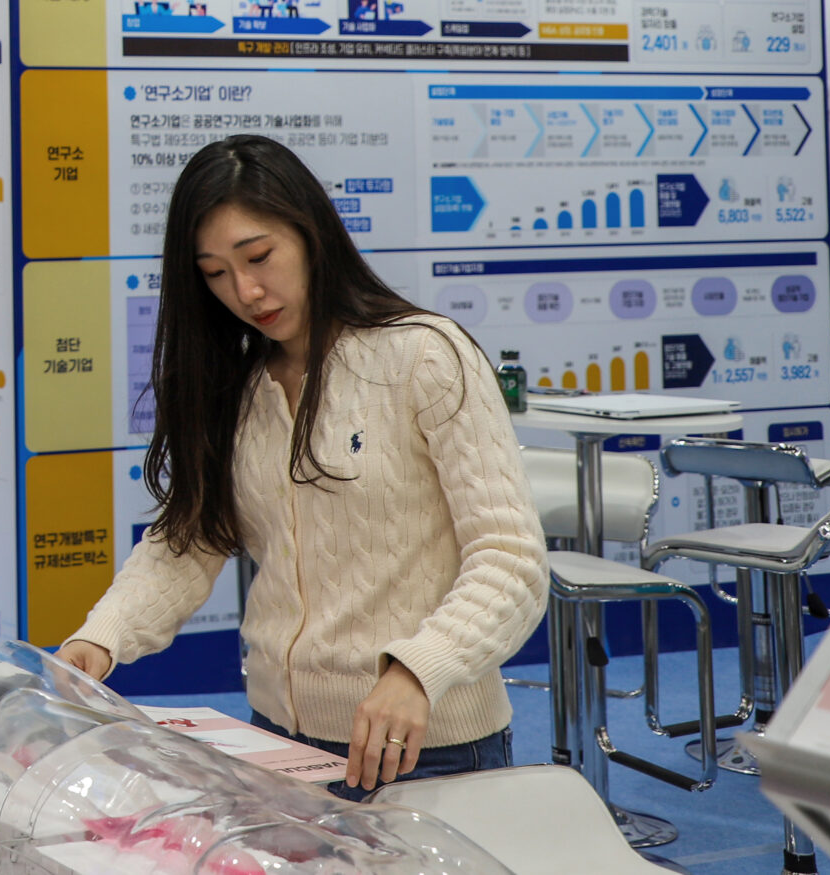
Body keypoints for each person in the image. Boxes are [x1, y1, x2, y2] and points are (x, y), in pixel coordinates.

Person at [58, 134, 544, 799]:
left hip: (425, 746)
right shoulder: (235, 383)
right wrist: (101, 639)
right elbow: (191, 540)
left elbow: (510, 559)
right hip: (278, 742)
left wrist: (418, 669)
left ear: (311, 233)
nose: (246, 290)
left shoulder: (424, 355)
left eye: (259, 256)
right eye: (215, 273)